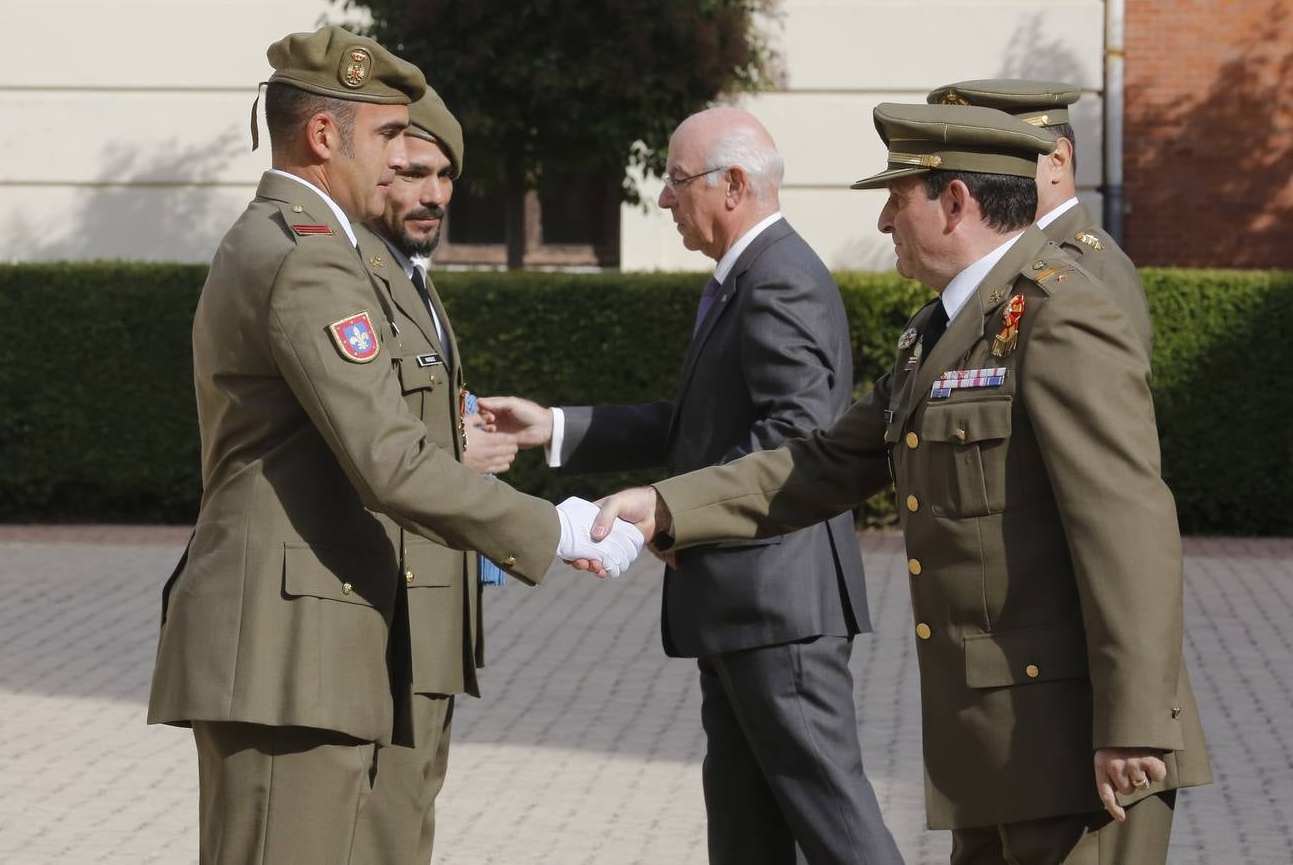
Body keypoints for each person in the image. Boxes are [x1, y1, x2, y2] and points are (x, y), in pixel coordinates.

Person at [590, 103, 1212, 865]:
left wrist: (1136, 723)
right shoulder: (936, 334)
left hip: (1080, 744)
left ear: (954, 203)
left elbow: (1127, 528)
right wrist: (665, 505)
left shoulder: (1061, 314)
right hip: (990, 741)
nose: (884, 222)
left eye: (896, 198)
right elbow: (822, 462)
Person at [145, 26, 641, 865]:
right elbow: (387, 457)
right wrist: (556, 529)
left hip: (325, 643)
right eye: (385, 138)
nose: (398, 160)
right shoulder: (303, 257)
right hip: (287, 653)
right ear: (324, 135)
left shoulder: (328, 250)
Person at [482, 108, 902, 865]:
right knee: (745, 827)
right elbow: (699, 427)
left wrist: (672, 513)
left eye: (676, 181)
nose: (664, 200)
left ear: (733, 184)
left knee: (838, 827)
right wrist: (554, 426)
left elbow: (796, 439)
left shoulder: (778, 280)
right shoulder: (748, 274)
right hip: (745, 602)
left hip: (777, 606)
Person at [351, 85, 514, 864]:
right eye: (412, 172)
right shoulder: (352, 269)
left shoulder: (407, 270)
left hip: (433, 603)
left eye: (444, 176)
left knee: (411, 818)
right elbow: (366, 442)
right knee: (380, 828)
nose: (433, 194)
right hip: (386, 602)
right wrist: (459, 447)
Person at [928, 79, 1151, 353]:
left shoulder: (1094, 266)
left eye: (1006, 159)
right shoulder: (1008, 255)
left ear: (1058, 159)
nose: (980, 177)